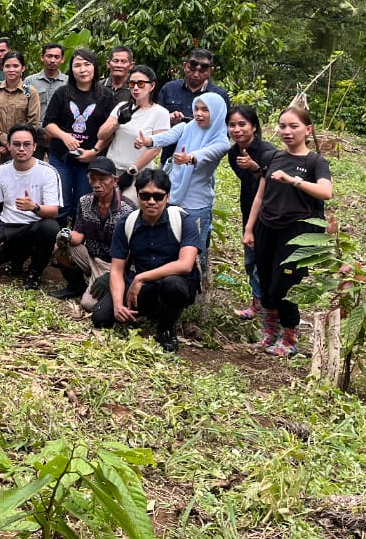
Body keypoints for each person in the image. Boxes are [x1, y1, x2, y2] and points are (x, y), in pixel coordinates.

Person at [244, 105, 333, 357]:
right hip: (266, 227)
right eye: (282, 126)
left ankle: (289, 337)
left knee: (285, 286)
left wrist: (294, 180)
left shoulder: (315, 161)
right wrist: (250, 229)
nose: (287, 131)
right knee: (266, 283)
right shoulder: (272, 157)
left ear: (308, 129)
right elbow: (260, 196)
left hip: (297, 232)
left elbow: (326, 192)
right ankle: (269, 334)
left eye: (294, 126)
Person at [91, 168, 202, 353]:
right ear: (138, 196)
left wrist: (141, 278)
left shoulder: (182, 220)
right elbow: (117, 269)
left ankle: (166, 329)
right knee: (101, 317)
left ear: (167, 197)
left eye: (158, 196)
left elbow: (185, 264)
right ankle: (148, 311)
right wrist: (118, 304)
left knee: (172, 285)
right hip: (143, 286)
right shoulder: (127, 223)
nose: (152, 201)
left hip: (175, 283)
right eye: (145, 196)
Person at [138, 92, 230, 279]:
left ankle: (198, 288)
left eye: (205, 110)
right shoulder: (188, 126)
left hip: (196, 204)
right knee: (169, 240)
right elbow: (168, 136)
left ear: (217, 113)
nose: (198, 114)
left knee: (195, 248)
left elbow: (205, 154)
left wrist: (189, 158)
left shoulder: (222, 142)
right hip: (174, 195)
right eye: (196, 108)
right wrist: (149, 141)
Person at [0, 124, 61, 288]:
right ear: (8, 146)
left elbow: (53, 211)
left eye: (26, 144)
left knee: (50, 227)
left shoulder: (48, 172)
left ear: (34, 147)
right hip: (7, 225)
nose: (21, 149)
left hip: (34, 226)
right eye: (16, 144)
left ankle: (35, 271)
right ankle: (17, 256)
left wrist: (34, 207)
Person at [42, 48, 115, 224]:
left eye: (87, 64)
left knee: (83, 204)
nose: (82, 69)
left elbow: (111, 130)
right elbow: (48, 124)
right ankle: (57, 242)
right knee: (61, 204)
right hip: (62, 158)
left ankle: (79, 242)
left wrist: (95, 151)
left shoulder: (106, 96)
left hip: (90, 161)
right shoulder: (62, 93)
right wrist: (65, 136)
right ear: (71, 70)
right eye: (77, 65)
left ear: (95, 68)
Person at [48, 157, 134, 304]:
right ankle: (76, 286)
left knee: (88, 304)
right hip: (91, 255)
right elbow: (79, 235)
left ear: (115, 181)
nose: (96, 184)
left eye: (102, 179)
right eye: (92, 179)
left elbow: (130, 250)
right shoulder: (85, 201)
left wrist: (115, 274)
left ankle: (113, 285)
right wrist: (65, 237)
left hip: (112, 263)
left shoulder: (127, 209)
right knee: (59, 247)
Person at [227, 105, 278, 320]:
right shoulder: (233, 153)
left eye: (242, 124)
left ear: (254, 127)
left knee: (263, 264)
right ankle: (257, 303)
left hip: (268, 216)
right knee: (250, 262)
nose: (237, 129)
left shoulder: (268, 152)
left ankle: (270, 308)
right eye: (232, 125)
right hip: (248, 211)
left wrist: (256, 168)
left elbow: (272, 186)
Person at [95, 64, 168, 204]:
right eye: (132, 83)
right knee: (104, 208)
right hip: (112, 169)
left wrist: (132, 170)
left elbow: (156, 148)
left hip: (139, 173)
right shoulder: (121, 107)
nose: (135, 88)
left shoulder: (160, 113)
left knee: (128, 208)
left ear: (151, 86)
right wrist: (117, 122)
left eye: (141, 84)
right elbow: (101, 135)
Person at [157, 48, 229, 162]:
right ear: (185, 66)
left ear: (211, 70)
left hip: (201, 161)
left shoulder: (218, 95)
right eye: (192, 68)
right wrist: (169, 118)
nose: (196, 74)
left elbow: (223, 130)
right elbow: (156, 121)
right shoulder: (169, 88)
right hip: (170, 155)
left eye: (202, 70)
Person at [0, 50, 41, 170]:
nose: (11, 69)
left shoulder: (30, 92)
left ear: (22, 68)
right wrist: (4, 140)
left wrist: (13, 144)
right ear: (2, 68)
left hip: (21, 150)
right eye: (7, 66)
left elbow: (33, 122)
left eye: (15, 66)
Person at [29, 42, 68, 112]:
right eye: (49, 56)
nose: (52, 60)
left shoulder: (68, 82)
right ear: (42, 57)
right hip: (36, 123)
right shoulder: (30, 81)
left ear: (62, 59)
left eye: (57, 57)